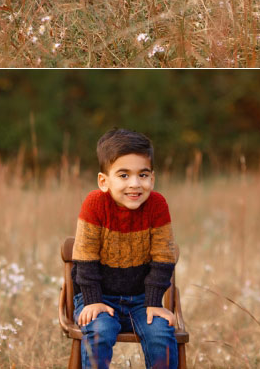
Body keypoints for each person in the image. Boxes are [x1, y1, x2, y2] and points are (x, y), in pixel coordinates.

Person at [71, 128, 179, 369]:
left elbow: (163, 257)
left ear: (152, 178)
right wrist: (92, 300)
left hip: (142, 300)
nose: (135, 184)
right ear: (104, 181)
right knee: (99, 331)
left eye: (143, 174)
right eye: (123, 175)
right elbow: (85, 256)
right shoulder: (95, 204)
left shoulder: (157, 205)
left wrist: (153, 302)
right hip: (97, 297)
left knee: (160, 333)